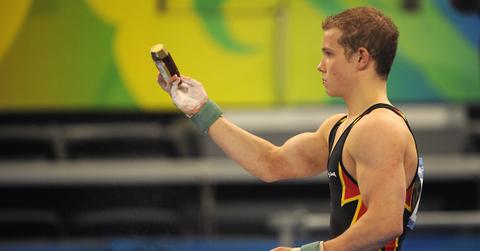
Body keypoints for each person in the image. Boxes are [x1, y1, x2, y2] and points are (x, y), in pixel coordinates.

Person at [156, 6, 423, 251]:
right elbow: (271, 163)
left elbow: (386, 222)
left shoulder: (380, 128)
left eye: (329, 54)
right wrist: (202, 110)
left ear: (361, 57)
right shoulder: (340, 127)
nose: (320, 65)